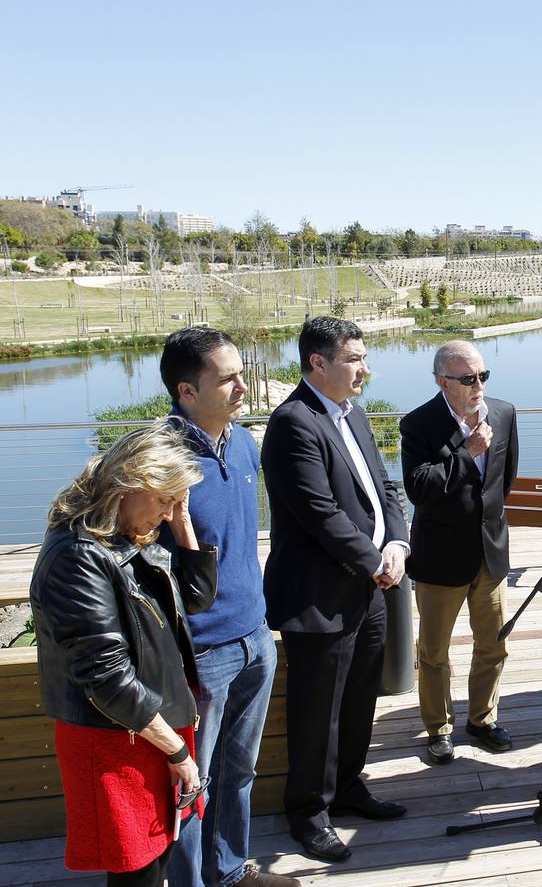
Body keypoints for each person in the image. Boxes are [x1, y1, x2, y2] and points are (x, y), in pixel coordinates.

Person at [29, 422, 216, 886]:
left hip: (147, 727)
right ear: (131, 484)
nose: (169, 512)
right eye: (164, 499)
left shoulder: (122, 538)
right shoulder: (79, 555)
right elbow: (106, 676)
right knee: (137, 870)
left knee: (156, 858)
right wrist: (176, 750)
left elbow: (194, 597)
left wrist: (182, 519)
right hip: (118, 737)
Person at [261, 317, 410, 863]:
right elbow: (318, 512)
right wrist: (375, 562)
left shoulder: (355, 413)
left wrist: (397, 542)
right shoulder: (293, 423)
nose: (364, 369)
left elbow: (384, 487)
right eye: (353, 359)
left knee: (359, 698)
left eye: (364, 358)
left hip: (370, 586)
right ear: (317, 363)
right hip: (320, 594)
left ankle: (348, 788)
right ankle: (308, 812)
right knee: (316, 711)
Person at [159, 329, 297, 887]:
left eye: (243, 372)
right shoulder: (159, 459)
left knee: (239, 770)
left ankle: (230, 870)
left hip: (254, 635)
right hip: (199, 652)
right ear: (187, 391)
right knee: (192, 785)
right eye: (228, 378)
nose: (244, 385)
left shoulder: (242, 443)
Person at [400, 340, 519, 766]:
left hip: (490, 553)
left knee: (493, 644)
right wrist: (467, 454)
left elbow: (505, 481)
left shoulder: (503, 413)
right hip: (439, 558)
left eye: (483, 376)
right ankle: (439, 728)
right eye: (468, 379)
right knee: (434, 652)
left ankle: (483, 720)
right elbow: (419, 487)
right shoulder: (419, 424)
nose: (478, 386)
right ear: (442, 381)